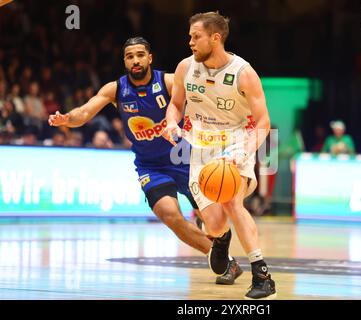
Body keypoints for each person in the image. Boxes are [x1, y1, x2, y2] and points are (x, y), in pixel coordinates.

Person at [48, 37, 242, 285]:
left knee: (215, 220)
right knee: (169, 214)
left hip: (186, 159)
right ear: (125, 61)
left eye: (140, 55)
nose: (135, 60)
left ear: (149, 58)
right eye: (130, 56)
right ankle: (225, 261)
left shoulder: (169, 81)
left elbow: (204, 97)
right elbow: (84, 112)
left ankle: (212, 230)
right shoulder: (115, 89)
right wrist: (68, 119)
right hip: (151, 166)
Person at [163, 12, 276, 299]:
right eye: (190, 36)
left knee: (231, 202)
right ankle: (222, 238)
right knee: (213, 222)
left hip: (235, 141)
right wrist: (173, 122)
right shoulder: (185, 67)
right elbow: (176, 104)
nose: (190, 42)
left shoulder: (244, 73)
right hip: (199, 145)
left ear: (216, 38)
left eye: (195, 36)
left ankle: (262, 275)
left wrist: (244, 152)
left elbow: (263, 123)